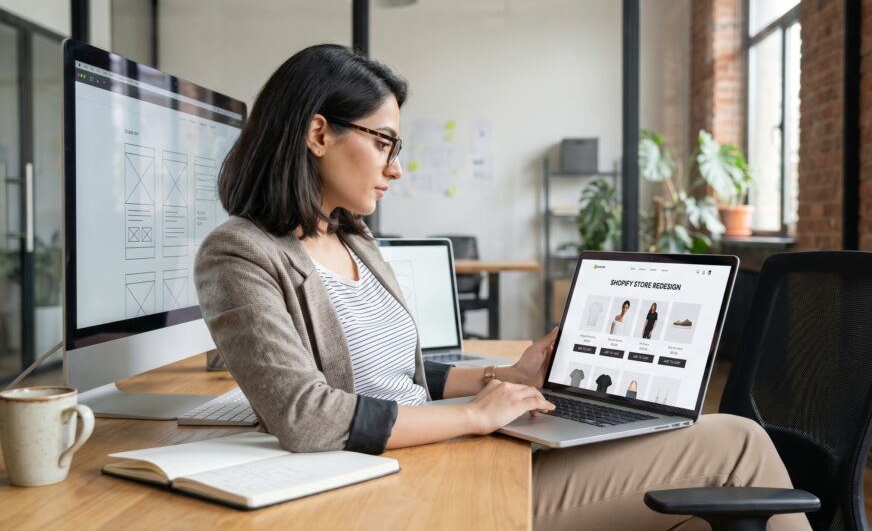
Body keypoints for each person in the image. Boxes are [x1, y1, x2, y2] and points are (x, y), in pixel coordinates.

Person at [194, 44, 809, 531]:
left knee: (714, 472)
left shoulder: (354, 238)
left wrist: (506, 378)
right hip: (412, 487)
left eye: (396, 146)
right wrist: (473, 415)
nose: (396, 167)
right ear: (319, 134)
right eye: (383, 142)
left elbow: (399, 376)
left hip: (455, 451)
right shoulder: (240, 253)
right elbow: (306, 417)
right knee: (734, 445)